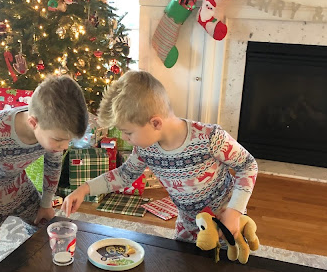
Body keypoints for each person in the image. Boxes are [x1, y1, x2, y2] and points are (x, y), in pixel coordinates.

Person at [61, 70, 258, 243]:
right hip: (188, 224)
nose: (124, 138)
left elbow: (248, 166)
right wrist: (84, 189)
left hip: (225, 218)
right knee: (183, 265)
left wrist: (234, 211)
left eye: (128, 132)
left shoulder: (210, 137)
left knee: (230, 265)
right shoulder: (145, 149)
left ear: (155, 123)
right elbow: (124, 175)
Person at [0, 75, 88, 272]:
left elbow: (53, 166)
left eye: (68, 141)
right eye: (59, 140)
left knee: (46, 228)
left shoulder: (51, 130)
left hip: (14, 181)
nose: (64, 147)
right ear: (33, 123)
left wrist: (46, 203)